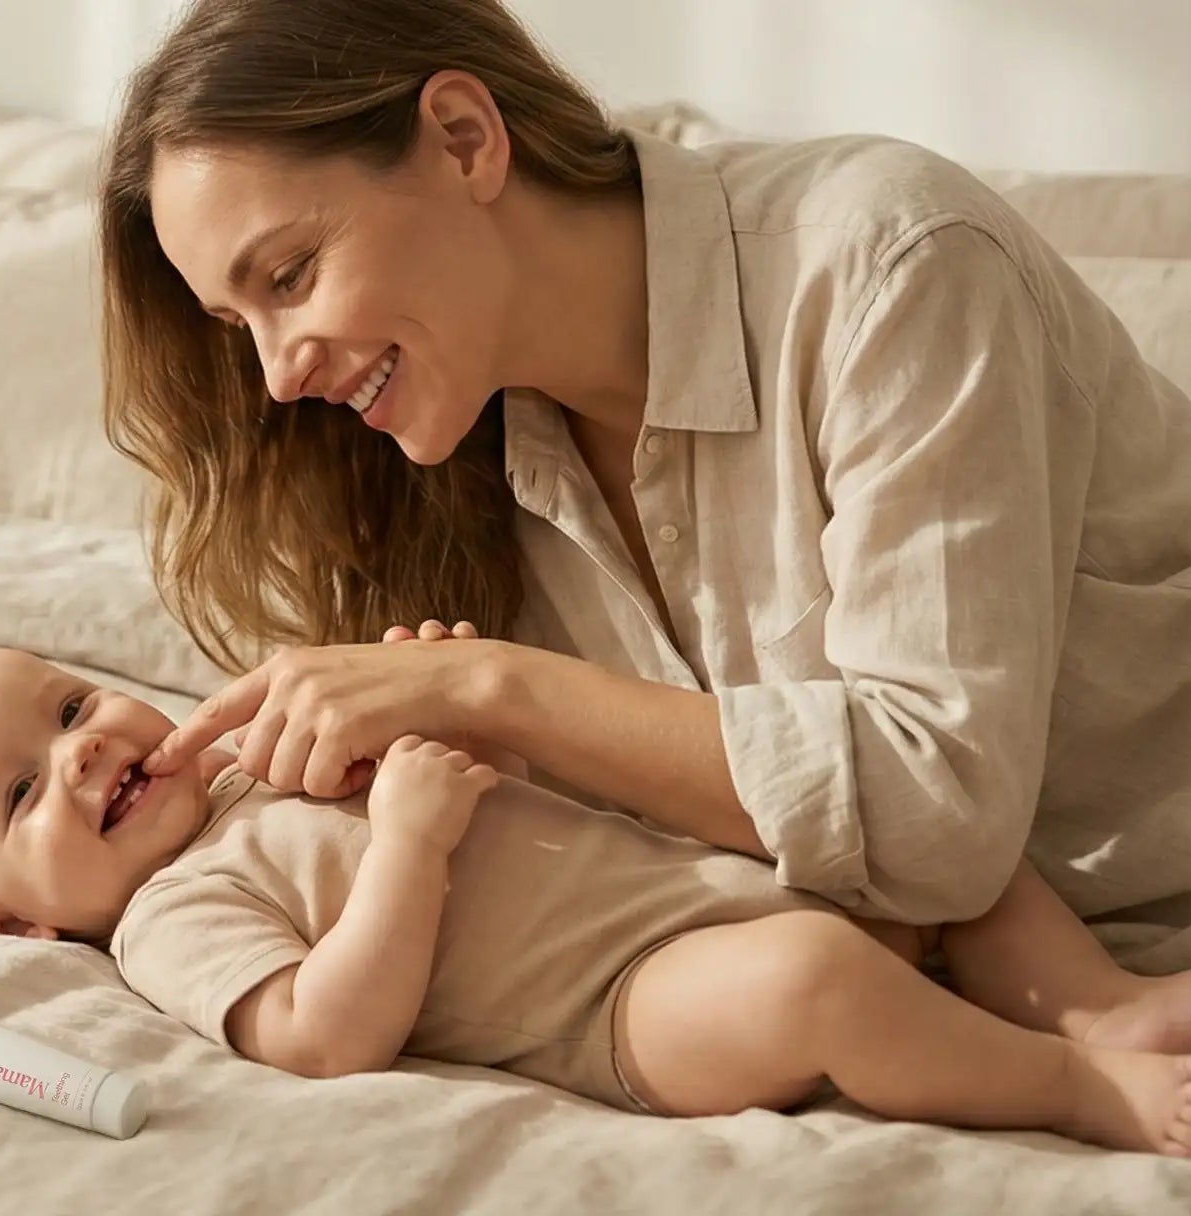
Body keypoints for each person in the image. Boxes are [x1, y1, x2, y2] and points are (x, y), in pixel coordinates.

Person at [96, 0, 1191, 973]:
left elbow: (940, 818)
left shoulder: (890, 265)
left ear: (463, 140)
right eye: (241, 327)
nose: (280, 375)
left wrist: (493, 687)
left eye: (290, 276)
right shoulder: (440, 470)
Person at [0, 644, 1191, 1152]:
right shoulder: (169, 916)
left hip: (704, 878)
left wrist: (436, 703)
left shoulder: (256, 756)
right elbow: (319, 1031)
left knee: (911, 830)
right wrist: (405, 847)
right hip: (626, 1008)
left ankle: (1095, 1006)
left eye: (68, 707)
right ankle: (1080, 1094)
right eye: (18, 797)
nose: (77, 752)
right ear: (14, 928)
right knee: (811, 985)